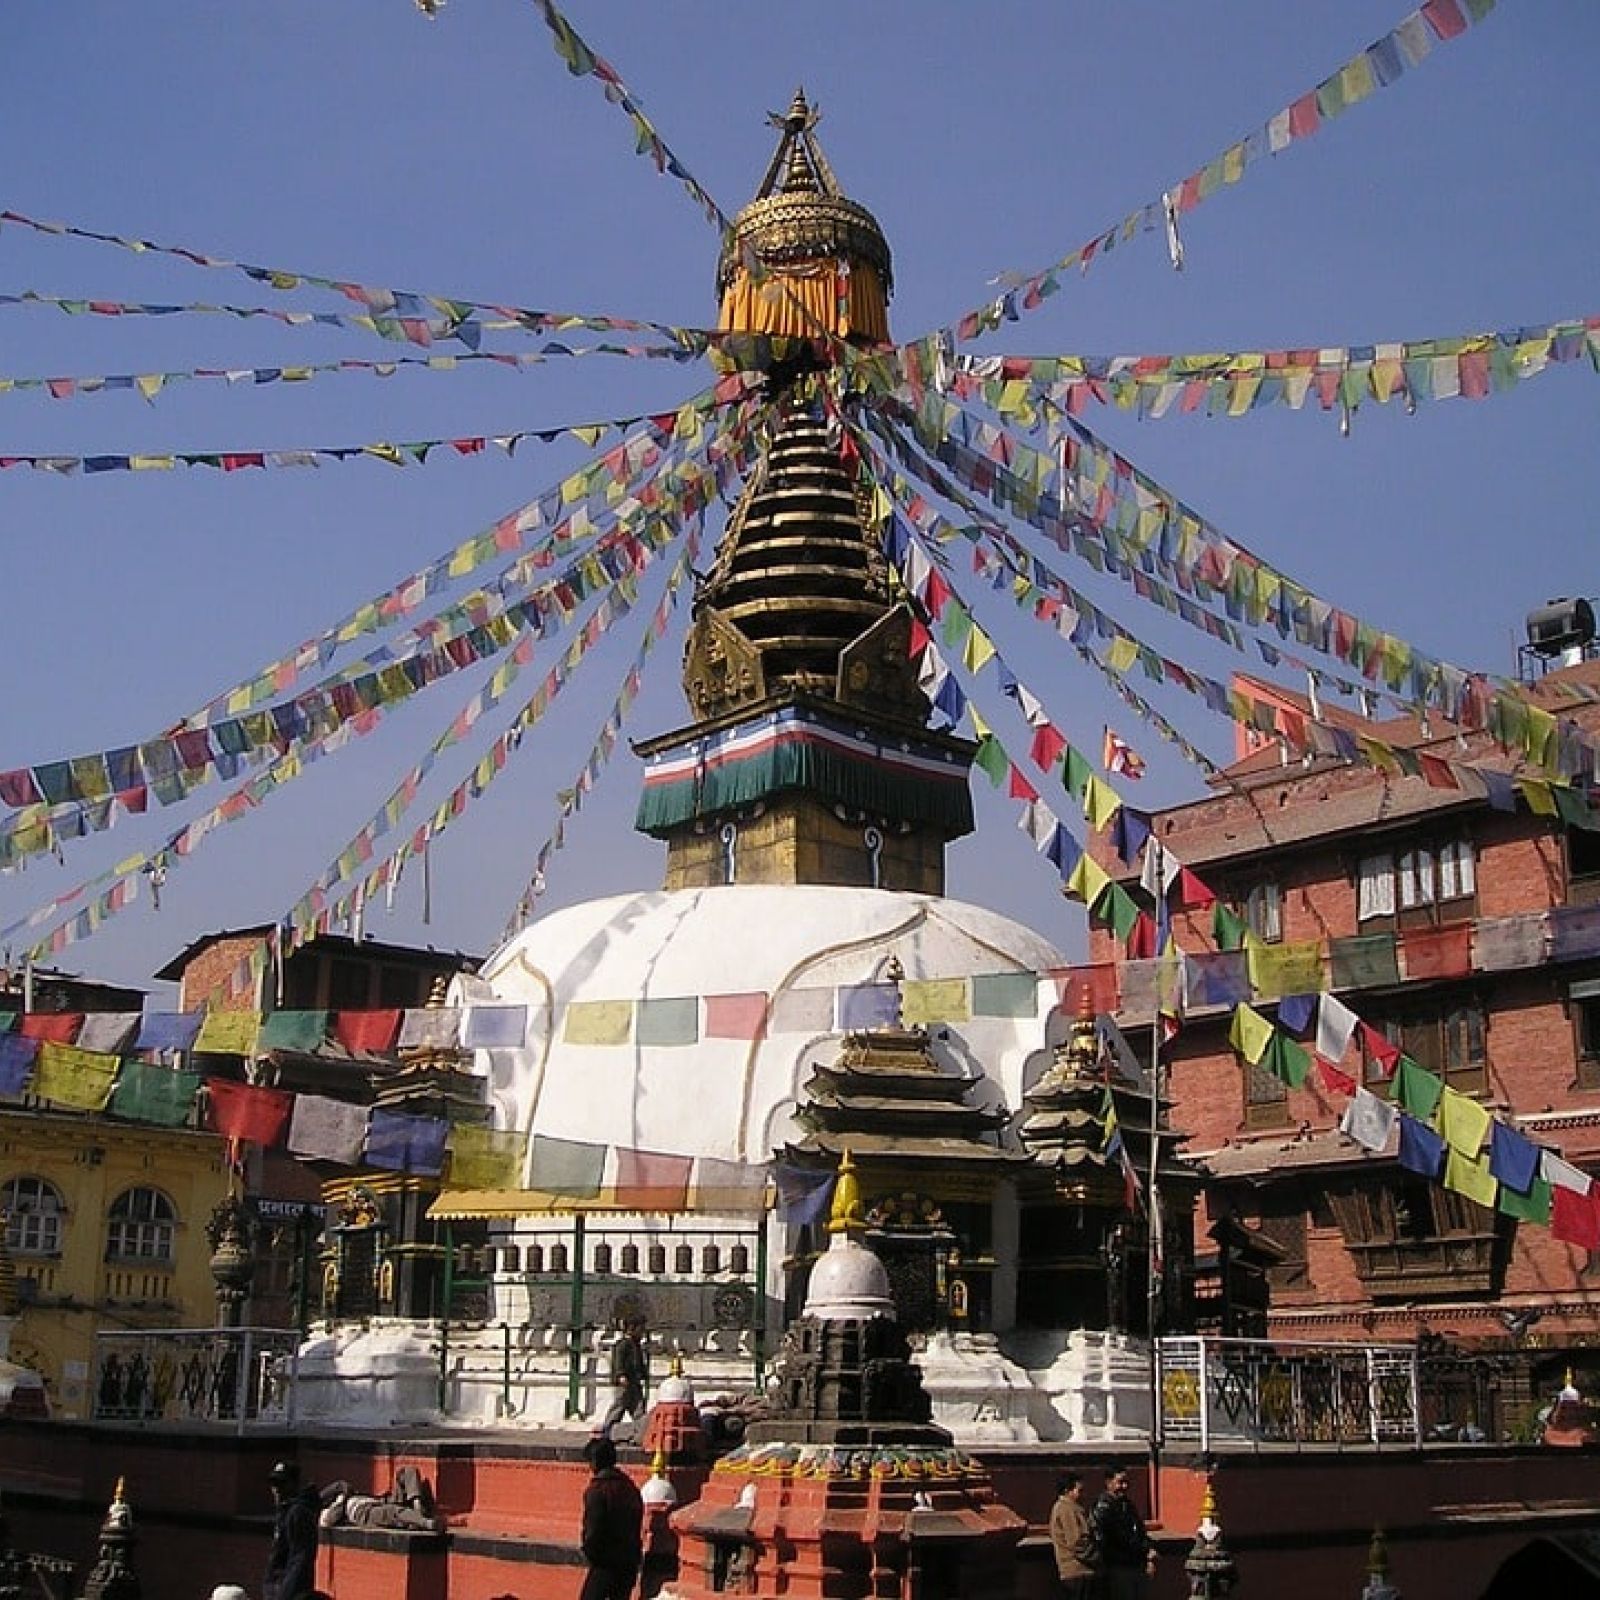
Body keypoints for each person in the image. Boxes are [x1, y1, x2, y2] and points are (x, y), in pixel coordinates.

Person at [579, 1435, 643, 1600]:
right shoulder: (630, 1488)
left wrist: (589, 1552)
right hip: (628, 1560)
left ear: (594, 1463)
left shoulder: (597, 1491)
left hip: (605, 1562)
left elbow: (593, 1529)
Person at [1090, 1466, 1156, 1600]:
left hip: (1135, 1566)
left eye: (1126, 1482)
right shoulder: (1102, 1508)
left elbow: (1139, 1531)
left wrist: (1148, 1551)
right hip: (1117, 1567)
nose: (1124, 1486)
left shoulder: (1127, 1505)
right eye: (1120, 1482)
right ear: (1109, 1483)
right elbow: (1104, 1539)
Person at [263, 1462, 320, 1600]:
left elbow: (300, 1558)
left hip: (290, 1592)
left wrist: (285, 1594)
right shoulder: (286, 1511)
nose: (276, 1489)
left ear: (294, 1484)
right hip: (278, 1588)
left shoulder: (298, 1513)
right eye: (273, 1484)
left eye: (281, 1483)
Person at [1048, 1471, 1098, 1599]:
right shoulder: (1066, 1509)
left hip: (1077, 1572)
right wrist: (1097, 1557)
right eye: (1079, 1490)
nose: (1083, 1494)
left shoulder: (1070, 1508)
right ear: (1067, 1490)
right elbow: (1077, 1542)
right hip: (1077, 1572)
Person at [601, 1316, 650, 1440]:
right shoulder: (623, 1344)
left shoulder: (636, 1345)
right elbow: (618, 1362)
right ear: (632, 1329)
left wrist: (643, 1373)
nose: (642, 1332)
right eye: (640, 1329)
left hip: (634, 1382)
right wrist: (620, 1375)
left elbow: (639, 1362)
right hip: (624, 1383)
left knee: (638, 1409)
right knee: (619, 1407)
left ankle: (640, 1433)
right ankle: (607, 1431)